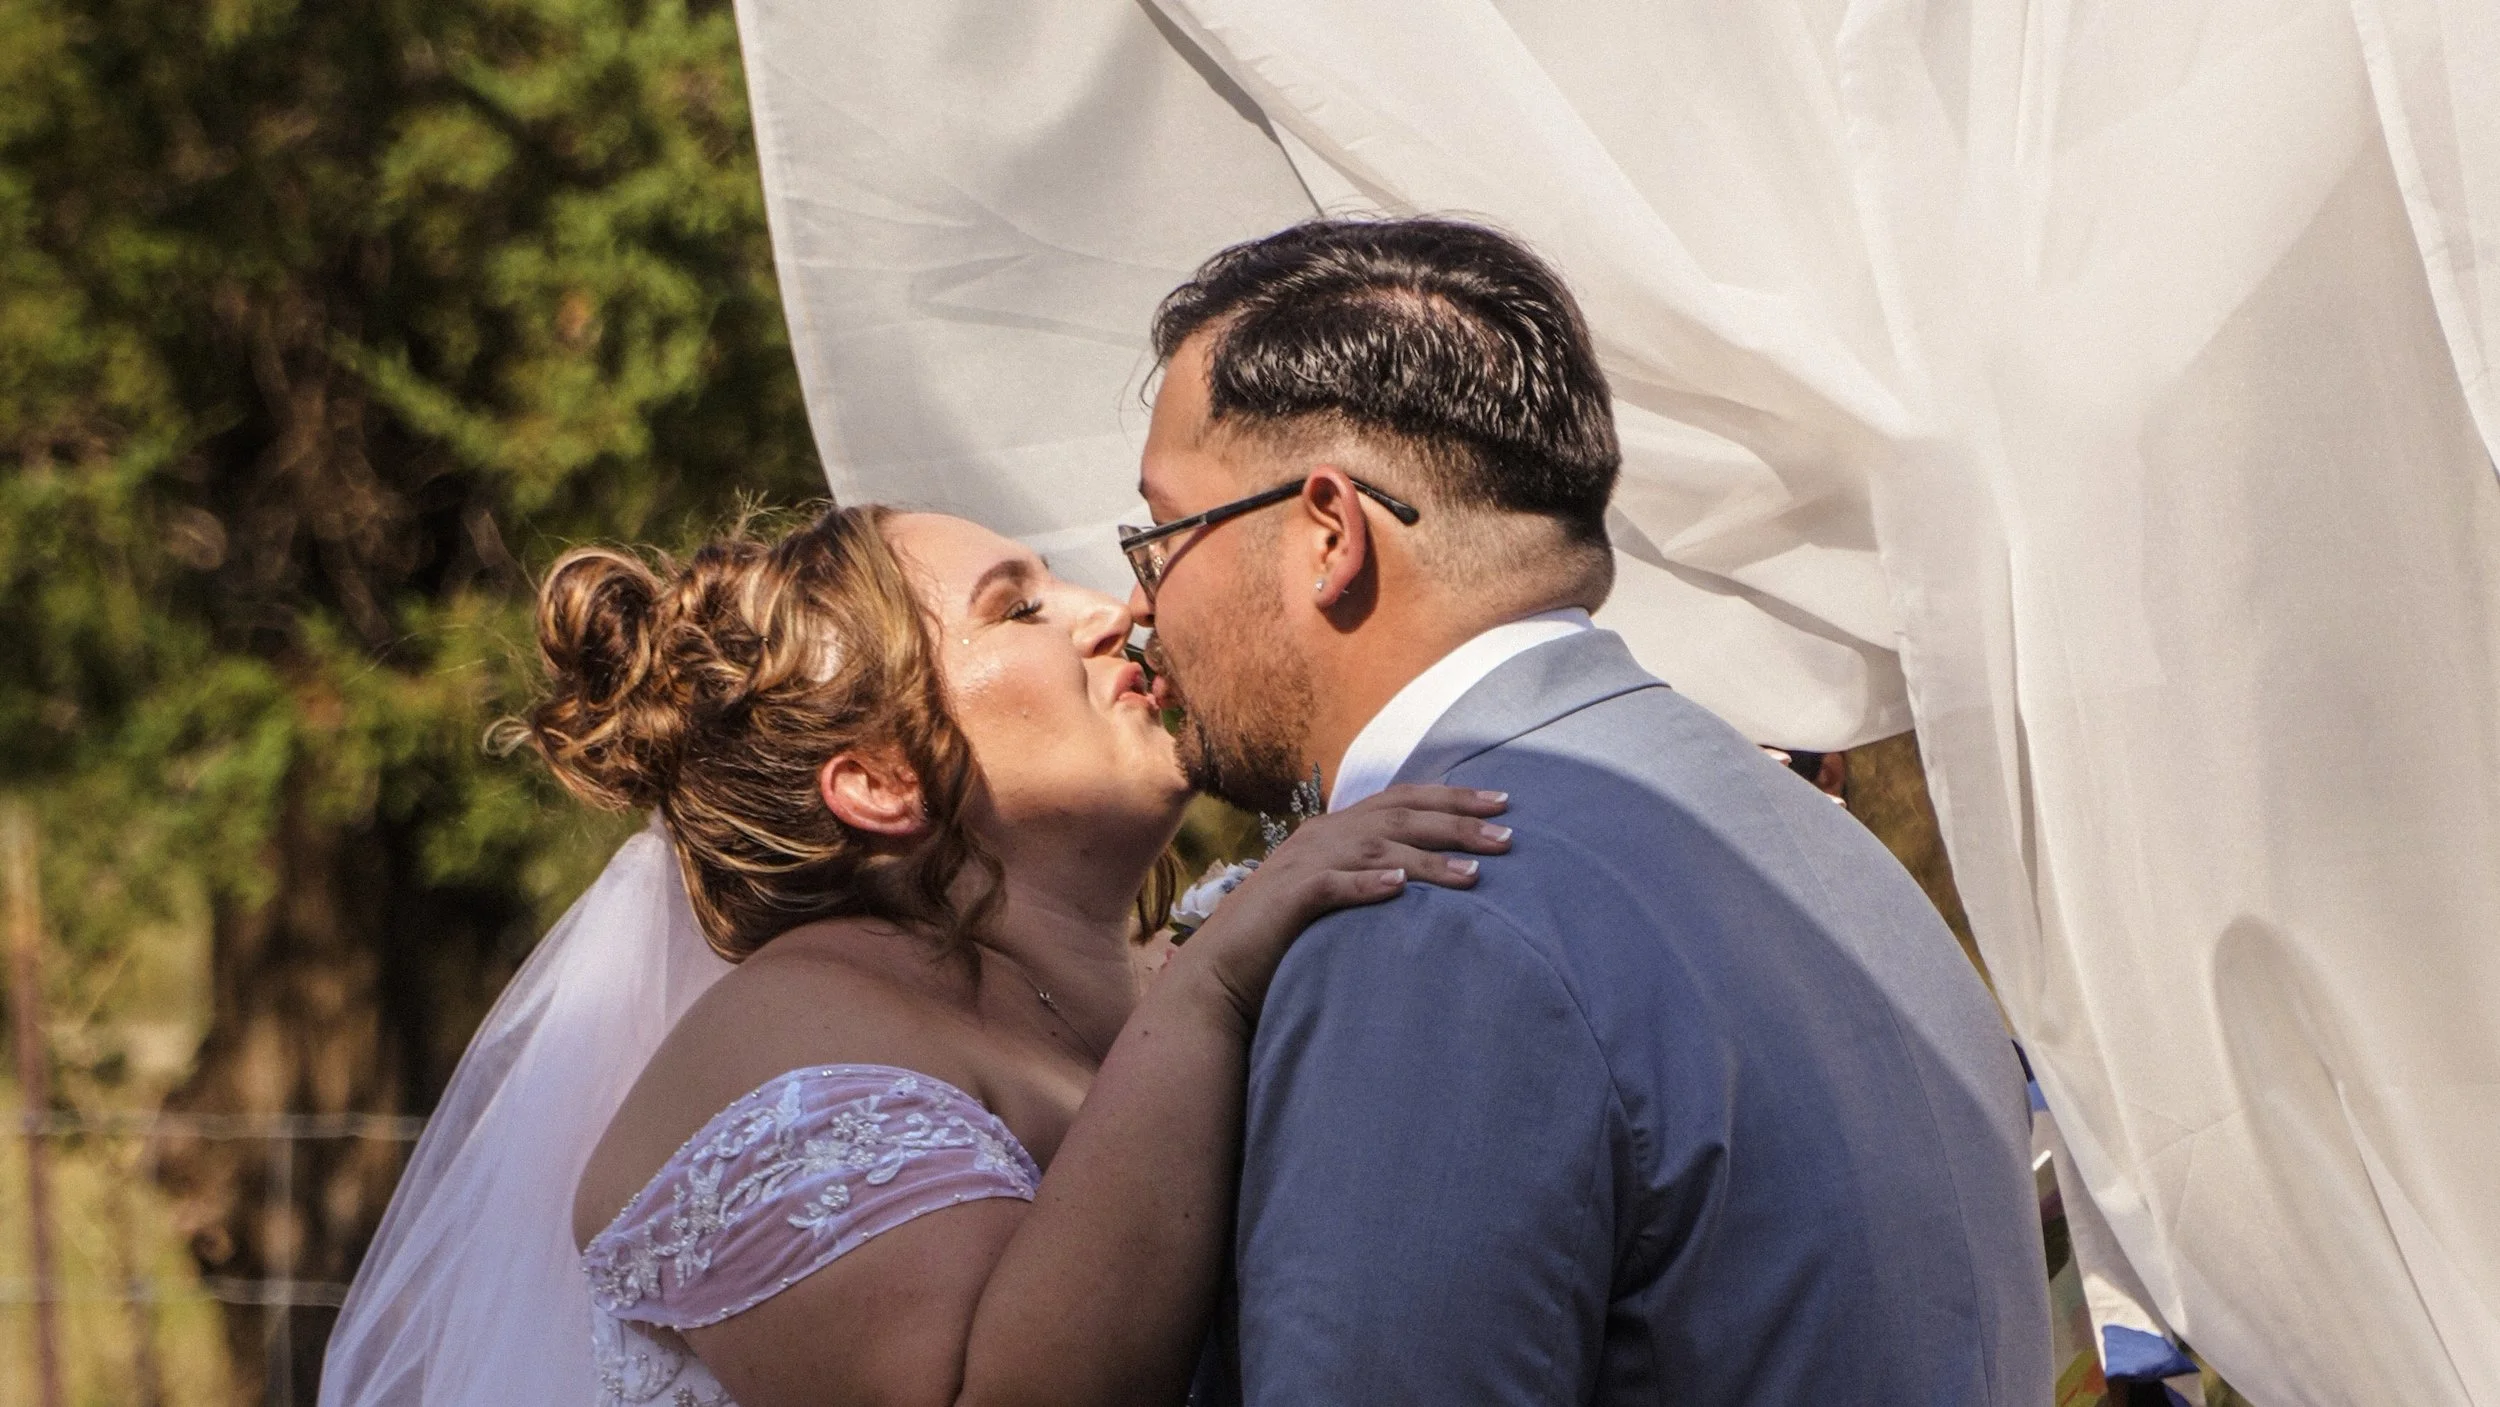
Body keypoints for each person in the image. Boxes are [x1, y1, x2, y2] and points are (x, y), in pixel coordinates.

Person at [1124, 217, 2055, 1404]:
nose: (1140, 606)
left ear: (1326, 534)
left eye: (1160, 536)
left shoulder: (1428, 910)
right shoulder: (1808, 842)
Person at [319, 504, 1511, 1407]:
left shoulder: (1169, 965)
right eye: (1019, 608)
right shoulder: (784, 1044)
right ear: (882, 780)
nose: (1115, 609)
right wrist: (1212, 993)